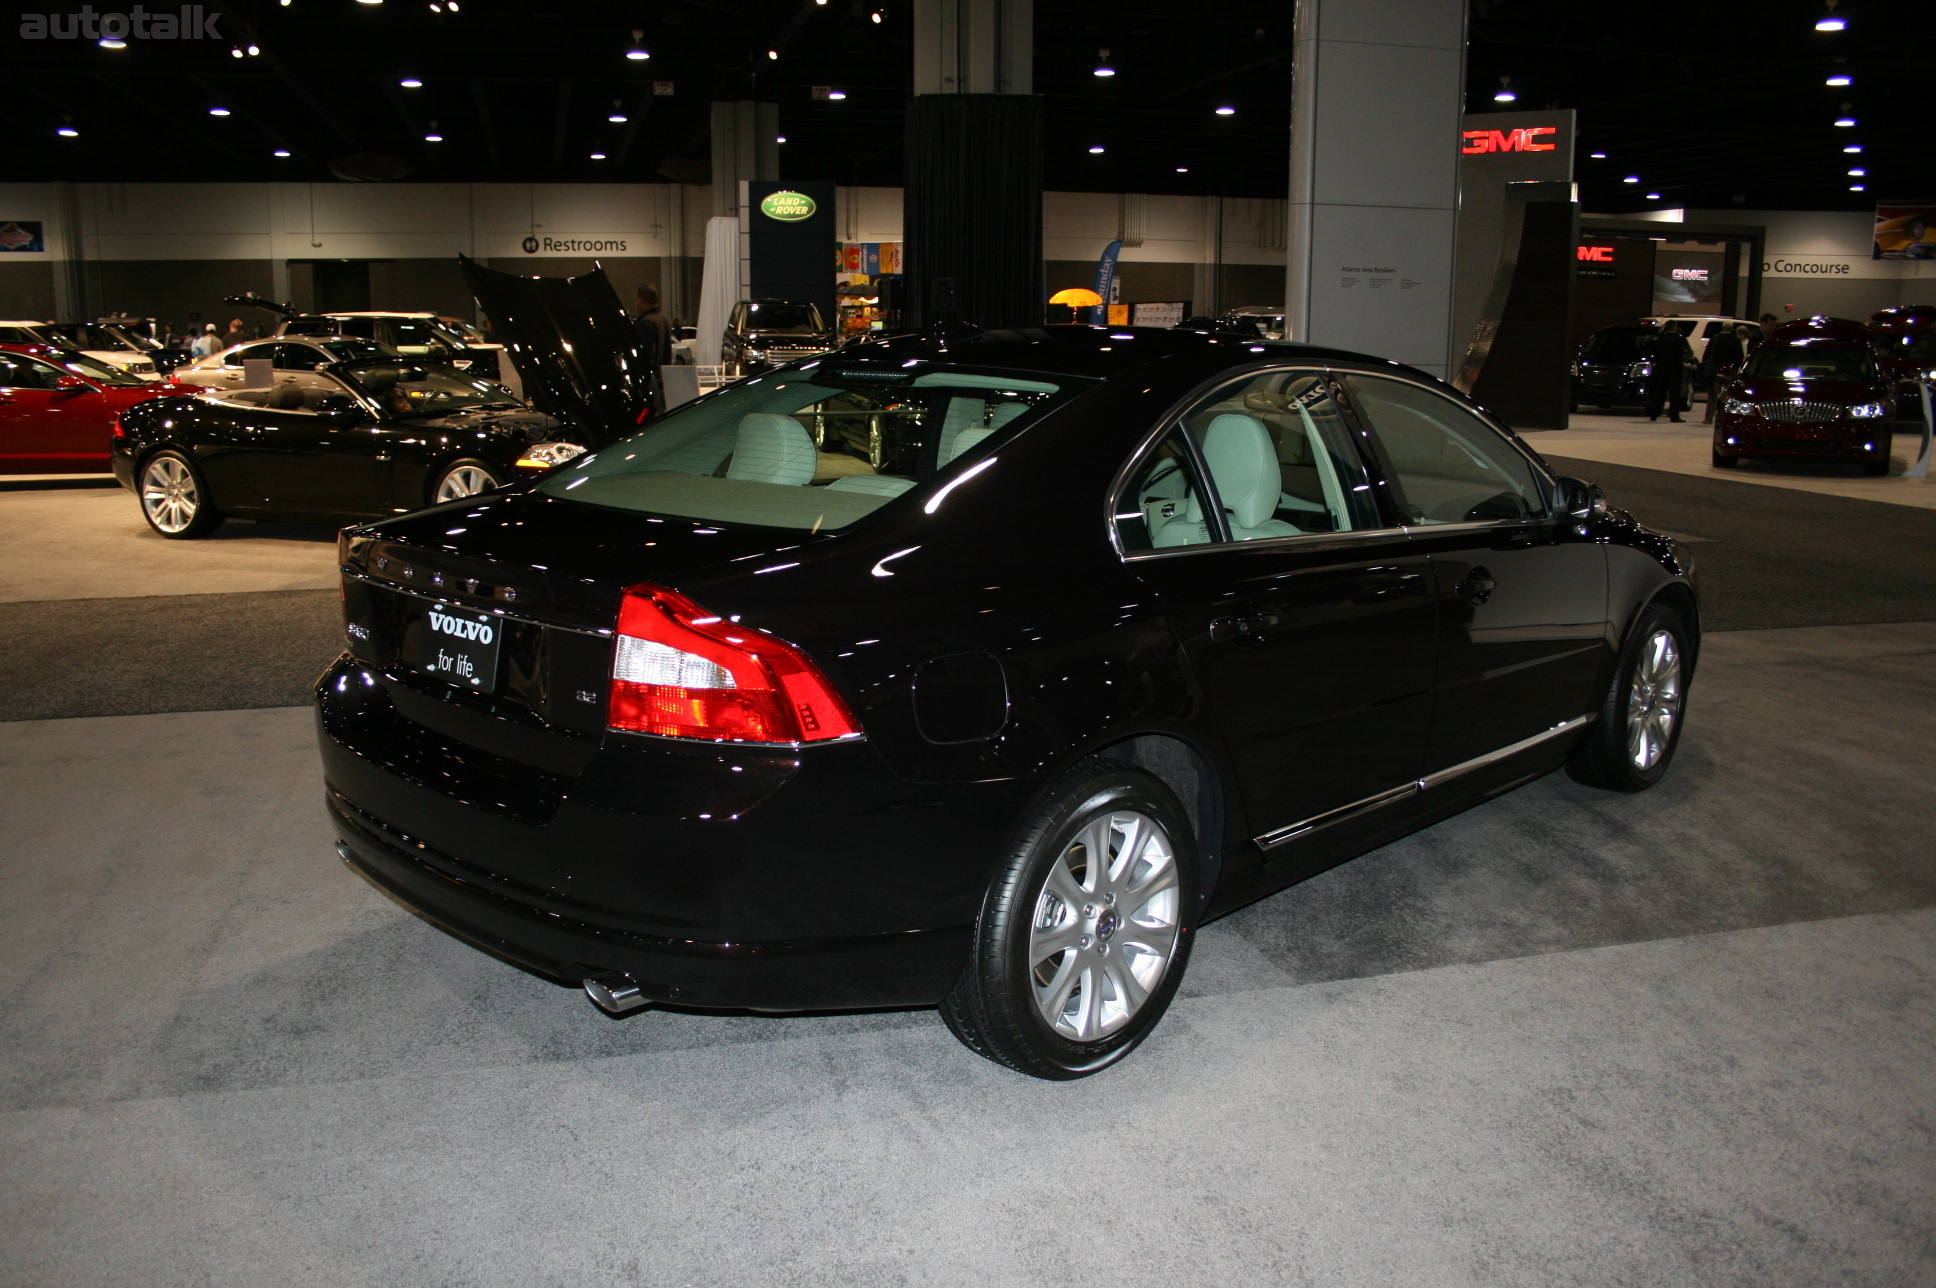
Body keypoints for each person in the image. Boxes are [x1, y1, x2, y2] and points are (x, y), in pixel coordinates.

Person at [1643, 322, 1694, 422]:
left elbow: (1656, 354)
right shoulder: (1678, 340)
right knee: (1674, 394)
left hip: (1662, 369)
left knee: (1660, 393)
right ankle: (1674, 415)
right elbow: (1679, 356)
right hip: (1674, 370)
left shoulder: (1660, 340)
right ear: (1675, 328)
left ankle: (1654, 415)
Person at [632, 285, 671, 414]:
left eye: (637, 300)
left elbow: (647, 358)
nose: (636, 303)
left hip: (651, 384)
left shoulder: (645, 323)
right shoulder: (663, 319)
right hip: (664, 382)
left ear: (642, 299)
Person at [1702, 322, 1746, 423]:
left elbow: (1707, 354)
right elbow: (1739, 357)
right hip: (1729, 372)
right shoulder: (1735, 340)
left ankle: (1708, 418)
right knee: (1728, 396)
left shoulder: (1715, 338)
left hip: (1715, 370)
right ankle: (1727, 418)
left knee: (1712, 396)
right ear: (1732, 329)